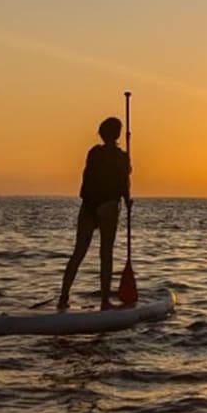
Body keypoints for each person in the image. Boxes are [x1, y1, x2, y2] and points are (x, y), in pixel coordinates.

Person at [59, 116, 130, 311]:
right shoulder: (121, 157)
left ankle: (63, 297)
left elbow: (87, 177)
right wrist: (126, 200)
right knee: (105, 254)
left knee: (78, 252)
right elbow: (124, 183)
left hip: (89, 206)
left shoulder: (93, 153)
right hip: (107, 205)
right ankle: (105, 301)